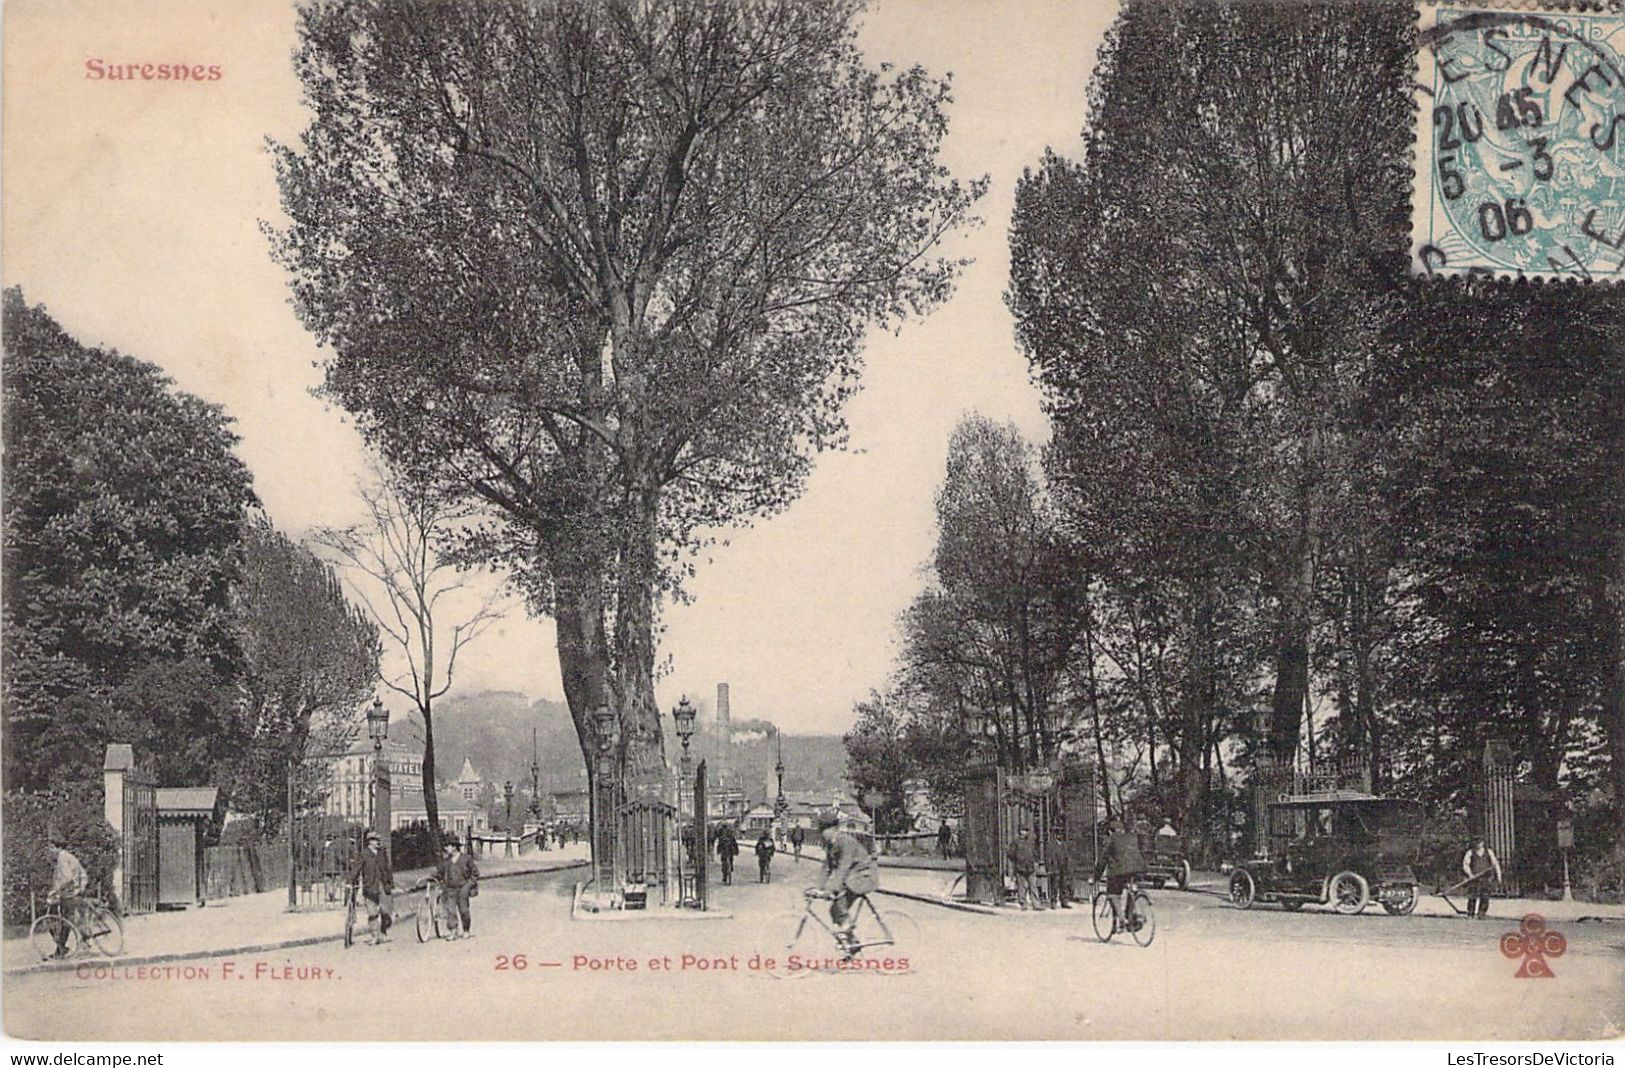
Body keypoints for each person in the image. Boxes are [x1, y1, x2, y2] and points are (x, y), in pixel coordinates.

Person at [809, 811, 878, 953]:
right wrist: (817, 888)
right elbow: (827, 868)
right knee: (834, 909)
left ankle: (848, 930)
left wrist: (830, 890)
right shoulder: (831, 844)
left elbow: (843, 868)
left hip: (863, 876)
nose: (821, 834)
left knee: (839, 901)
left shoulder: (845, 841)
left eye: (823, 830)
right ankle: (852, 944)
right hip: (852, 877)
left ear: (832, 829)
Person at [1093, 816, 1148, 931]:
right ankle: (1132, 914)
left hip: (1120, 871)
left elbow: (1102, 859)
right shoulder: (1131, 836)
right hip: (1137, 869)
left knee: (1113, 894)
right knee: (1131, 891)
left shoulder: (1112, 839)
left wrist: (1096, 877)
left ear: (1110, 831)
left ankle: (1123, 920)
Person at [348, 830, 395, 944]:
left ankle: (383, 932)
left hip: (383, 886)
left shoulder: (382, 853)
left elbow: (388, 869)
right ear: (369, 842)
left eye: (377, 839)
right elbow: (356, 869)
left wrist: (390, 883)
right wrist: (350, 881)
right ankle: (375, 936)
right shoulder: (364, 854)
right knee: (372, 913)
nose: (377, 842)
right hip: (370, 887)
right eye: (375, 840)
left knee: (386, 911)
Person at [46, 836, 89, 958]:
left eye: (51, 847)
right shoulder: (63, 857)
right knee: (58, 918)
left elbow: (67, 878)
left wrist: (55, 891)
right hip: (71, 890)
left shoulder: (62, 857)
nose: (50, 851)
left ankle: (61, 950)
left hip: (73, 891)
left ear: (58, 847)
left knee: (65, 920)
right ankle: (64, 947)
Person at [436, 836, 479, 939]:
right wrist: (431, 877)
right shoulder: (446, 861)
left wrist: (468, 885)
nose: (446, 849)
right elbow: (439, 873)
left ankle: (466, 930)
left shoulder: (466, 859)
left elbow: (475, 873)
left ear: (454, 847)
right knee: (451, 910)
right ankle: (453, 931)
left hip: (463, 887)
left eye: (448, 846)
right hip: (450, 888)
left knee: (464, 910)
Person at [1462, 836, 1502, 919]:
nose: (1478, 844)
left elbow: (1495, 864)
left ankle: (1482, 913)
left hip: (1486, 878)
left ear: (1483, 843)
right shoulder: (1470, 852)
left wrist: (1499, 876)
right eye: (1476, 842)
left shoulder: (1489, 852)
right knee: (1472, 896)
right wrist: (1470, 875)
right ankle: (1471, 913)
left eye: (1479, 842)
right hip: (1474, 878)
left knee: (1485, 896)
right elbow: (1466, 865)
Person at [1007, 826, 1041, 910]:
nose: (1025, 832)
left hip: (1030, 867)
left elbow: (1035, 853)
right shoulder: (1015, 842)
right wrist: (1017, 860)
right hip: (1020, 867)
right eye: (1023, 830)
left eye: (1026, 831)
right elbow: (1010, 853)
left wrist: (1035, 861)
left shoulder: (1030, 842)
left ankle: (1036, 904)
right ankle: (1023, 903)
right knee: (1022, 887)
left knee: (1033, 886)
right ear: (1020, 832)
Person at [1048, 820, 1073, 909]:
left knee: (1064, 885)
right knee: (1054, 885)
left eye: (1061, 834)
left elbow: (1067, 856)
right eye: (1058, 834)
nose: (1059, 835)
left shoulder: (1064, 845)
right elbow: (1049, 857)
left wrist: (1068, 866)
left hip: (1063, 867)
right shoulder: (1051, 844)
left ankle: (1064, 901)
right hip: (1055, 867)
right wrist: (1050, 867)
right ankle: (1053, 901)